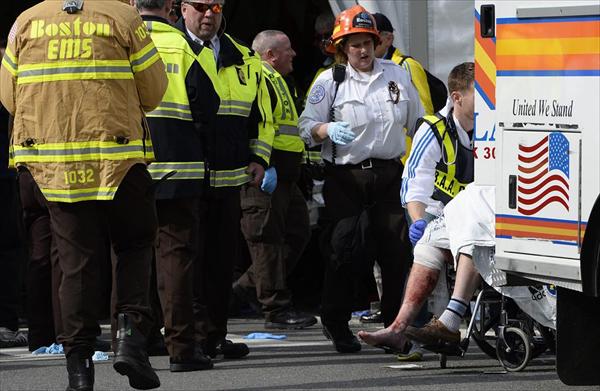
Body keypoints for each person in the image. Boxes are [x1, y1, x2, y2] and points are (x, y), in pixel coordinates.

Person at [0, 1, 168, 390]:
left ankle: (79, 370)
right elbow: (154, 90)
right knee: (134, 245)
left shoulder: (25, 21)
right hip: (118, 161)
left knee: (75, 264)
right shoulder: (122, 17)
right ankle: (129, 340)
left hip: (55, 165)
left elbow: (9, 95)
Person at [298, 5, 423, 353]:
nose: (363, 51)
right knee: (345, 252)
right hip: (346, 177)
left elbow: (416, 122)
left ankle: (394, 328)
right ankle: (336, 323)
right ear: (342, 48)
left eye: (368, 42)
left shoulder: (396, 75)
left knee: (397, 253)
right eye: (354, 44)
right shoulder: (329, 82)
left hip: (388, 174)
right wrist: (326, 128)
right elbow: (305, 128)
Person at [358, 62, 480, 351]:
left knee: (472, 234)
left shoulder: (494, 127)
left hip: (479, 216)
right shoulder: (434, 129)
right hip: (443, 212)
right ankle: (399, 329)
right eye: (481, 95)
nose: (489, 102)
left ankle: (447, 323)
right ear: (457, 97)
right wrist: (417, 221)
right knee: (426, 245)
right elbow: (415, 183)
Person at [178, 0, 275, 359]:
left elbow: (262, 117)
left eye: (215, 6)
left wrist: (258, 157)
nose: (208, 14)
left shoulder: (244, 57)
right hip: (182, 178)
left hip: (227, 179)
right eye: (200, 6)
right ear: (181, 8)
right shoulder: (173, 49)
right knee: (183, 263)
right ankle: (185, 339)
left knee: (219, 263)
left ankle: (214, 337)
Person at [133, 0, 219, 372]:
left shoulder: (121, 41)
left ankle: (135, 342)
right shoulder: (187, 46)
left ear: (134, 6)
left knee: (130, 256)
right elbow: (209, 105)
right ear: (171, 8)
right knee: (176, 259)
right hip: (179, 168)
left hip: (130, 165)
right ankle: (182, 348)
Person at [234, 30, 316, 330]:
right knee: (266, 241)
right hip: (264, 174)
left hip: (286, 175)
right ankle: (275, 308)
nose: (294, 54)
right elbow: (250, 123)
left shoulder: (280, 80)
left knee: (297, 232)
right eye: (287, 49)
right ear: (270, 55)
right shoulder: (255, 78)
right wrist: (260, 161)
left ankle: (243, 290)